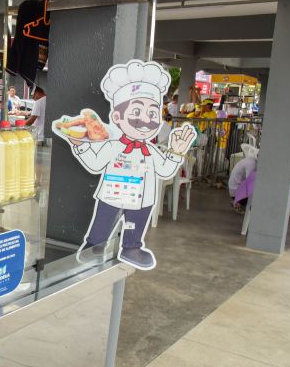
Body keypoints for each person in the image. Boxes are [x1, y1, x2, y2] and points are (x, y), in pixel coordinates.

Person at [67, 60, 196, 270]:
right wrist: (80, 145)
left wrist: (176, 151)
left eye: (152, 114)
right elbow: (95, 163)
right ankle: (95, 247)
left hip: (142, 199)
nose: (145, 120)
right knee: (103, 222)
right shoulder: (114, 146)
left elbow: (164, 170)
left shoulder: (152, 150)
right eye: (136, 112)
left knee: (136, 224)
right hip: (111, 194)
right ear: (117, 116)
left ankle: (132, 247)